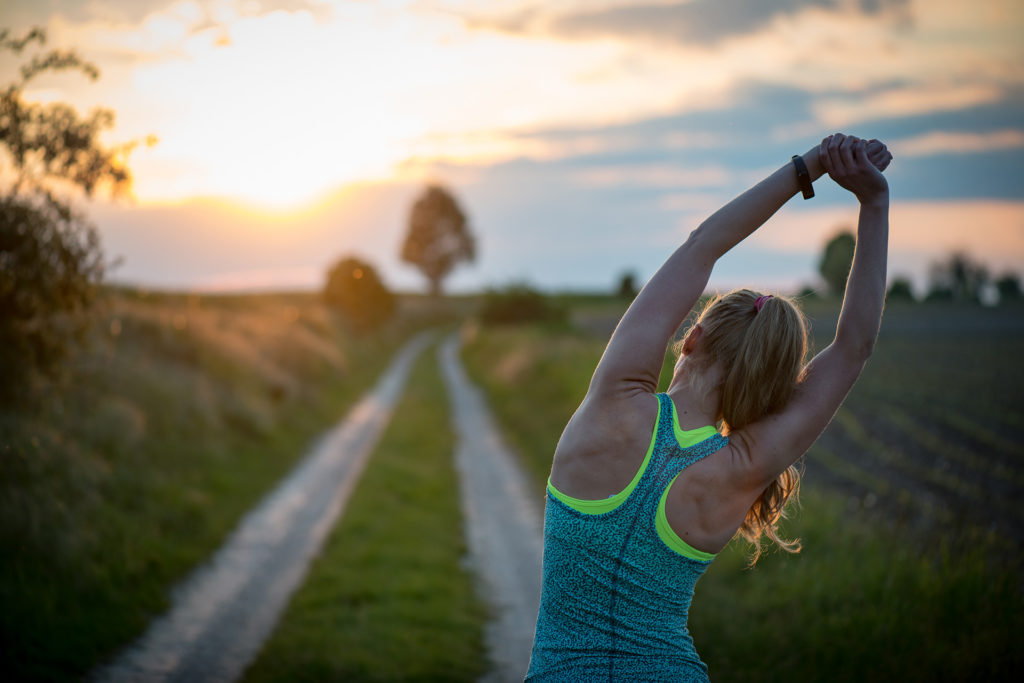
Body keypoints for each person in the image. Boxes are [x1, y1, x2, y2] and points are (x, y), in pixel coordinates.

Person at [525, 133, 893, 681]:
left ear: (691, 337)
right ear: (771, 386)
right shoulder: (743, 466)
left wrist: (808, 166)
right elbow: (854, 346)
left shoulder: (615, 401)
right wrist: (874, 202)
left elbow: (704, 245)